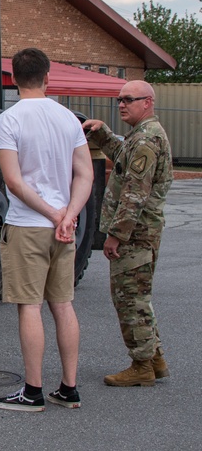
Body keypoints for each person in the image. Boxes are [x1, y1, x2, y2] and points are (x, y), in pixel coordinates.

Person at [0, 48, 93, 412]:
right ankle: (69, 388)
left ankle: (32, 392)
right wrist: (68, 215)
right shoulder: (67, 118)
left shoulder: (9, 120)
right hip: (64, 228)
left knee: (29, 307)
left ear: (13, 79)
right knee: (63, 305)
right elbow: (85, 173)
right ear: (48, 77)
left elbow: (14, 183)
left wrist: (50, 213)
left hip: (27, 226)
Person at [83, 80, 172, 387]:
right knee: (137, 296)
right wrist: (104, 134)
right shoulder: (142, 136)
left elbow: (134, 193)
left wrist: (116, 235)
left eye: (128, 99)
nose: (121, 104)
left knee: (129, 298)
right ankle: (154, 358)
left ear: (147, 102)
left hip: (135, 234)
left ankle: (142, 366)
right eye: (119, 99)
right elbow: (124, 158)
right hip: (141, 231)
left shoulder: (146, 140)